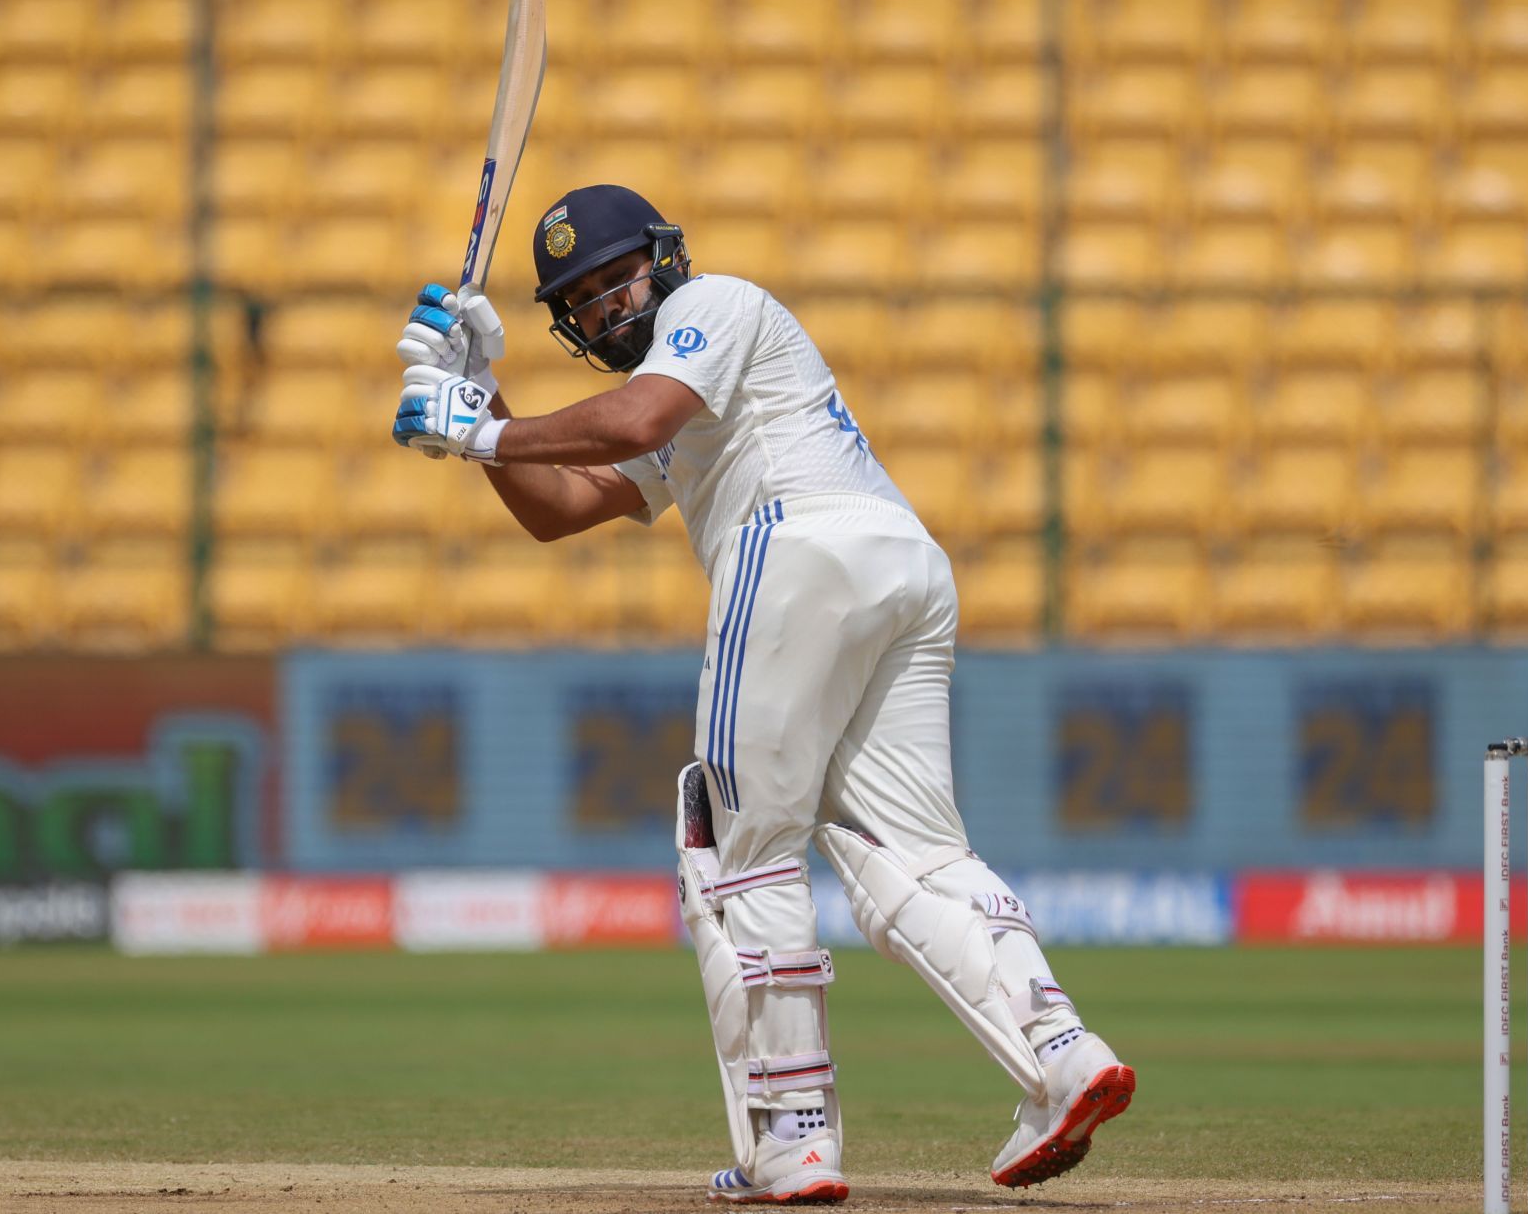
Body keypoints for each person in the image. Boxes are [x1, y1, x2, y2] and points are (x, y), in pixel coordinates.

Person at [390, 185, 1135, 1205]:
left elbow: (638, 415)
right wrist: (489, 399)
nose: (610, 306)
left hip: (796, 547)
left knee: (731, 852)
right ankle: (1061, 1053)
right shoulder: (684, 375)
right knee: (912, 855)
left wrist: (474, 430)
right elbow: (564, 507)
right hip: (901, 566)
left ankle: (791, 1140)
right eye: (586, 298)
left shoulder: (717, 305)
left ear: (667, 257)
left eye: (621, 280)